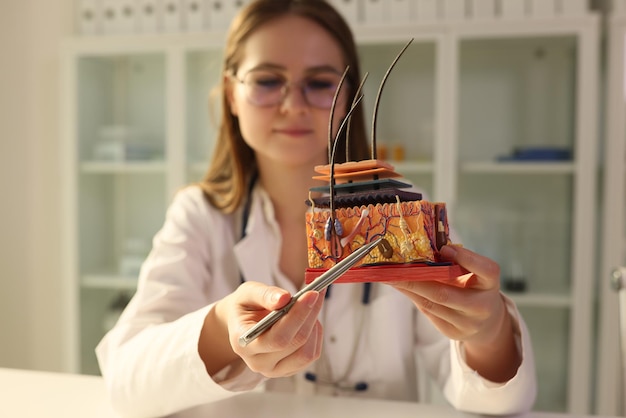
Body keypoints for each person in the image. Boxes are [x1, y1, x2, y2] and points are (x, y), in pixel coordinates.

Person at [96, 1, 537, 417]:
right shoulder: (200, 217)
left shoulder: (402, 219)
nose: (293, 105)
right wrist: (220, 331)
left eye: (320, 83)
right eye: (267, 81)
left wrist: (489, 333)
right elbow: (124, 379)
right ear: (232, 93)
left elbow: (495, 399)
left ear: (347, 96)